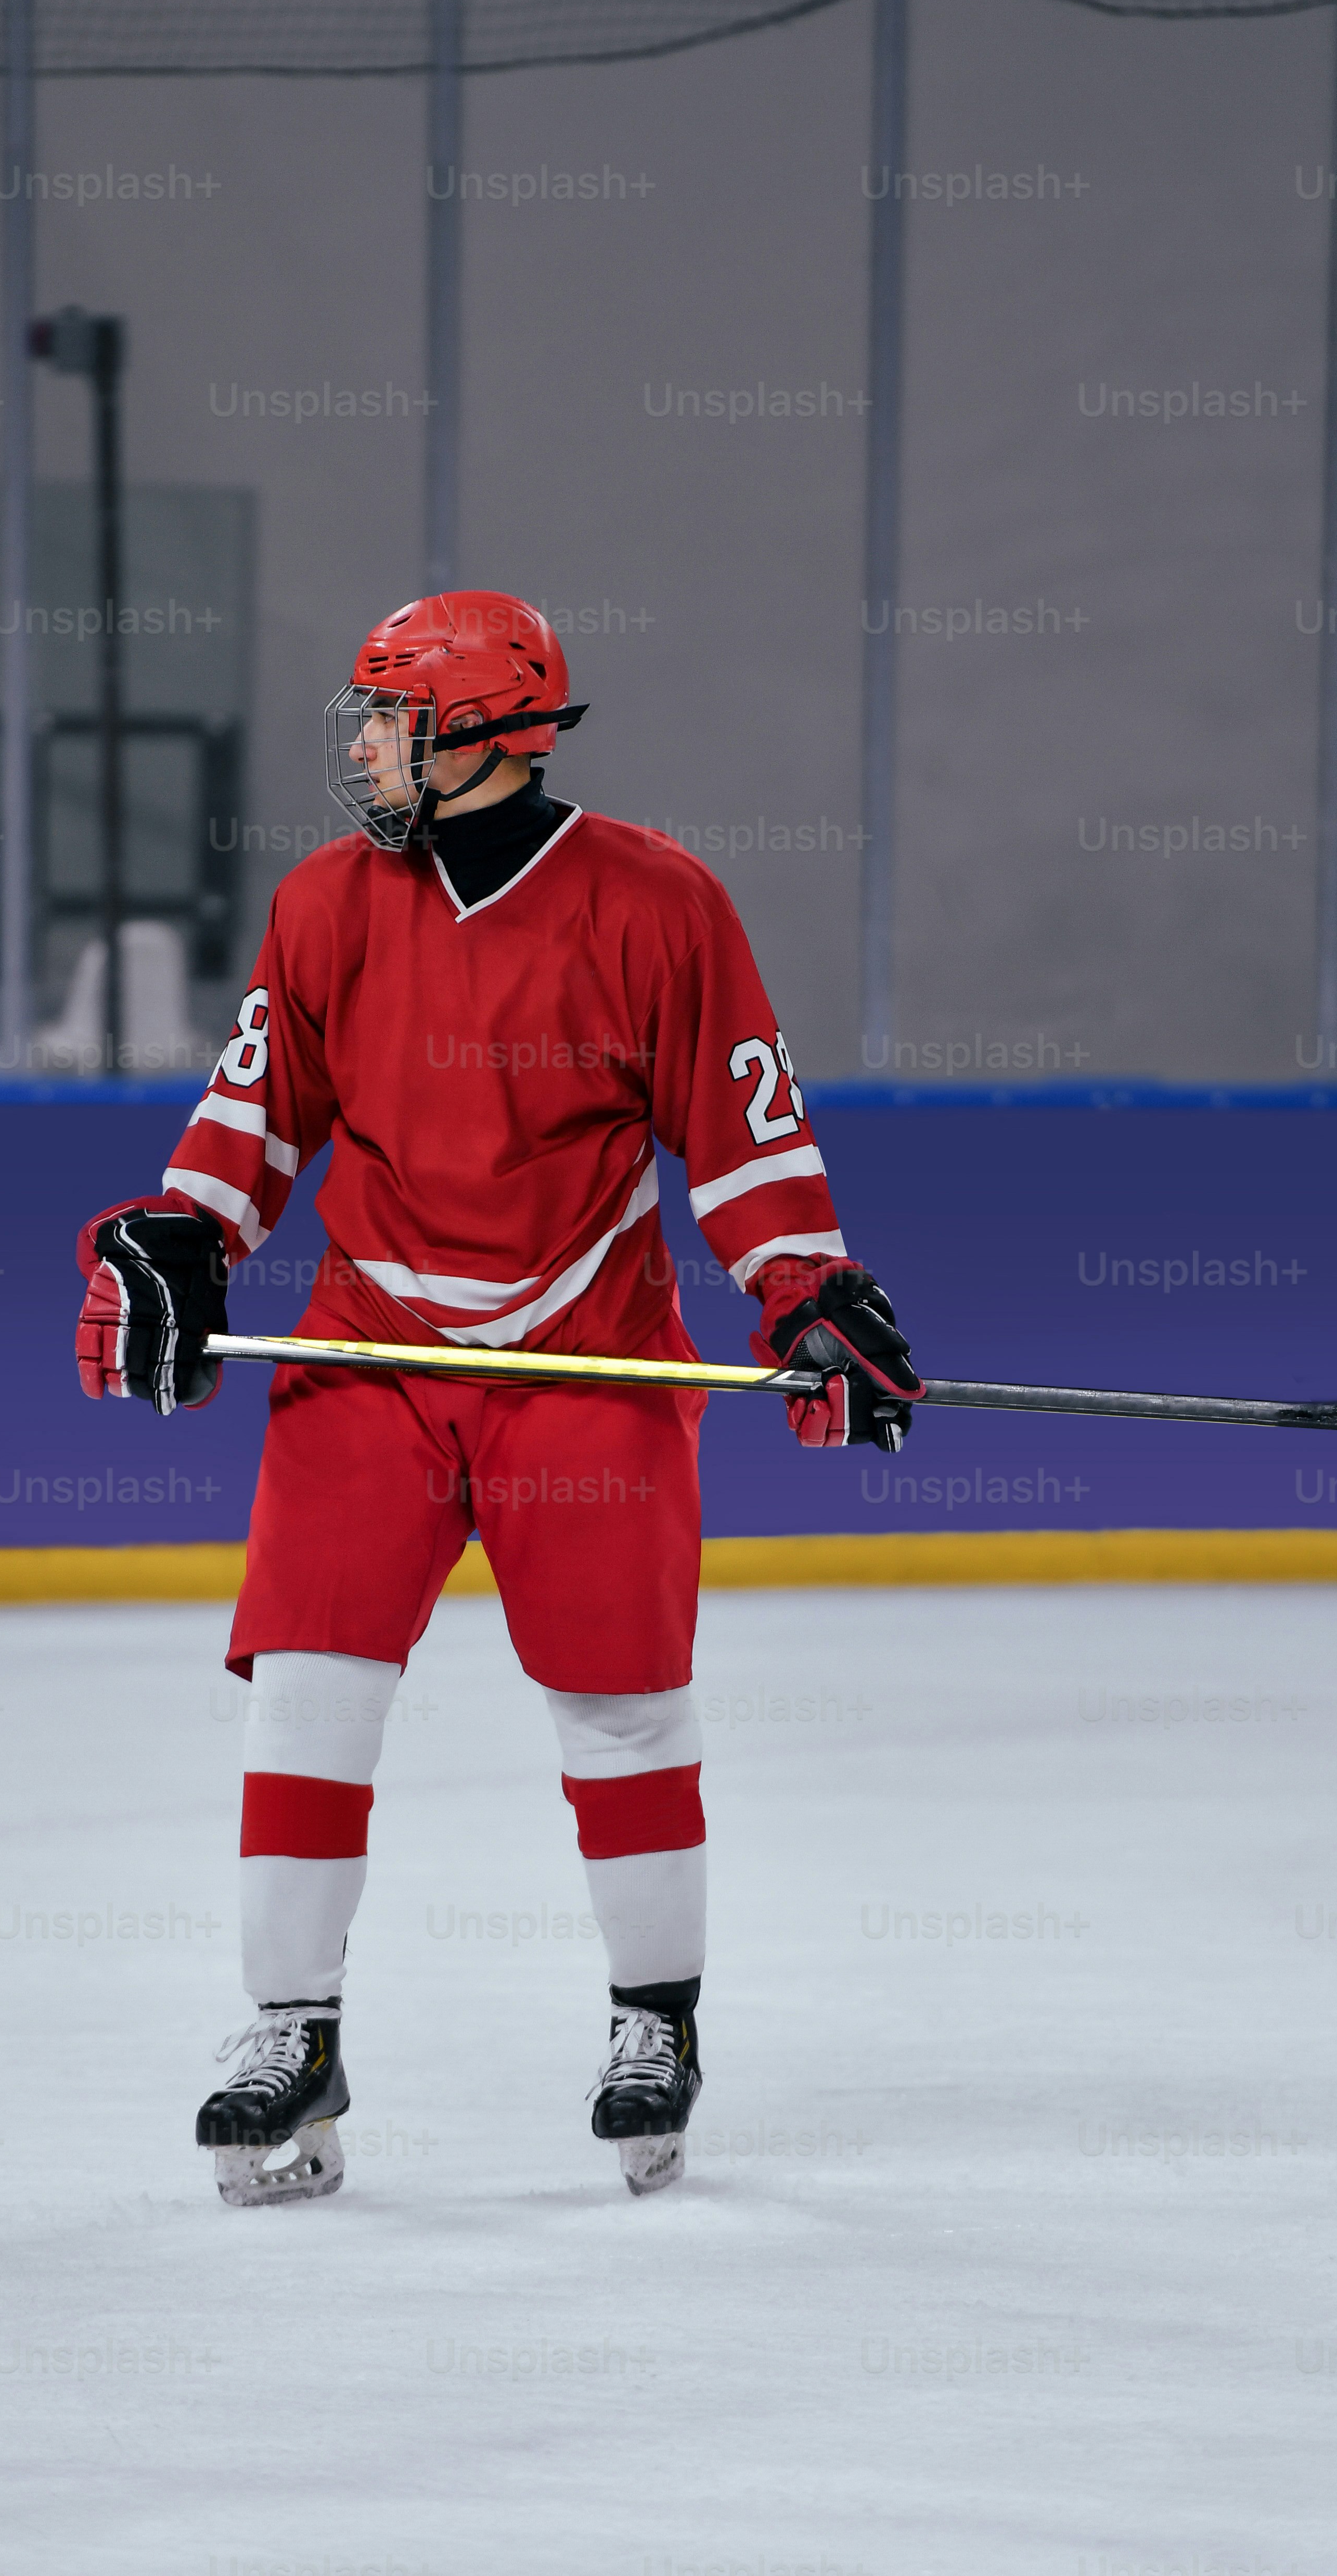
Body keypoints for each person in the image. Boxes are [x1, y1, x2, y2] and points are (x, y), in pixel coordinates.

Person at [73, 588, 922, 2206]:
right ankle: (289, 2031)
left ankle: (653, 2023)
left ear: (473, 733)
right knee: (309, 1689)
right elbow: (257, 1110)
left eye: (387, 715)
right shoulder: (326, 903)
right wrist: (186, 1234)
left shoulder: (658, 904)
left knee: (619, 1699)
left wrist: (805, 1289)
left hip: (583, 1354)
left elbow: (741, 1135)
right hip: (370, 1347)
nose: (363, 744)